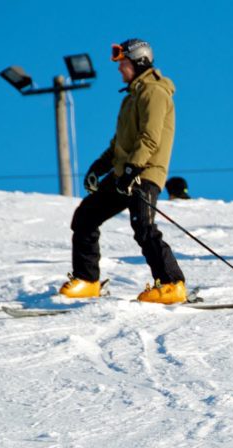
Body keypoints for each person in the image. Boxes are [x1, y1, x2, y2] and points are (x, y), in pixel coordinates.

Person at [60, 38, 187, 304]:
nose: (119, 69)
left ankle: (173, 284)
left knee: (143, 227)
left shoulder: (154, 92)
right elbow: (118, 144)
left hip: (146, 172)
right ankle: (87, 281)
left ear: (139, 62)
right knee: (85, 216)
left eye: (124, 64)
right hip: (125, 174)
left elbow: (150, 138)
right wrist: (100, 166)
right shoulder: (131, 98)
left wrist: (132, 169)